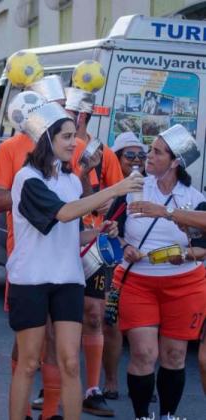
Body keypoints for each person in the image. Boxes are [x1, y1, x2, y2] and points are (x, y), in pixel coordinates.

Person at [6, 103, 142, 420]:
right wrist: (118, 187)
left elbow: (70, 233)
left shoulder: (69, 180)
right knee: (28, 363)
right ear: (46, 139)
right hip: (31, 281)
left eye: (73, 136)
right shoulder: (27, 179)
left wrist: (96, 231)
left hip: (68, 279)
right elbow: (63, 214)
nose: (74, 143)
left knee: (69, 362)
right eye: (67, 137)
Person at [108, 124, 206, 420]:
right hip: (138, 281)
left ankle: (167, 415)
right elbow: (112, 231)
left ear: (175, 161)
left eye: (157, 152)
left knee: (174, 356)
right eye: (150, 150)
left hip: (185, 283)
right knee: (143, 354)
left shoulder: (193, 196)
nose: (147, 156)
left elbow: (203, 247)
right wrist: (124, 245)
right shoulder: (133, 187)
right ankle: (141, 416)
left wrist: (186, 251)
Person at [62, 89, 125, 417]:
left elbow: (115, 197)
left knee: (95, 314)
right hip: (61, 242)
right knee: (56, 319)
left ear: (82, 116)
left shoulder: (105, 153)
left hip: (94, 244)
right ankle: (53, 387)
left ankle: (92, 388)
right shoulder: (54, 151)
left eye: (71, 114)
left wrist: (103, 212)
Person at [101, 131, 149, 401]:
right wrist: (123, 244)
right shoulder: (116, 189)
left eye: (141, 156)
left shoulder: (151, 187)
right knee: (112, 324)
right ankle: (110, 381)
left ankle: (144, 381)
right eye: (129, 155)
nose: (136, 161)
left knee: (146, 328)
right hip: (116, 265)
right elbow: (107, 227)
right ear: (116, 158)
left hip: (147, 268)